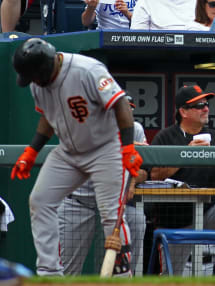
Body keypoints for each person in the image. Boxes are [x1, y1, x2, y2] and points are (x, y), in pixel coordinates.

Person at [10, 38, 143, 276]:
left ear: (46, 67)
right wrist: (32, 151)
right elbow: (47, 117)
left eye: (35, 76)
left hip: (105, 148)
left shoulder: (86, 70)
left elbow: (120, 103)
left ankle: (122, 276)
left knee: (112, 215)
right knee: (40, 200)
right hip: (69, 152)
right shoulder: (37, 83)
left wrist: (128, 147)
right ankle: (49, 273)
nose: (34, 82)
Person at [150, 85, 215, 275]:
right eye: (199, 105)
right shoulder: (166, 136)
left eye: (206, 104)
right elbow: (154, 175)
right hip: (174, 218)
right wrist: (187, 153)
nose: (206, 108)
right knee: (172, 277)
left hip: (208, 212)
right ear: (183, 111)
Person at [58, 95, 148, 276]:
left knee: (137, 220)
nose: (125, 113)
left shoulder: (134, 129)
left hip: (113, 208)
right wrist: (120, 149)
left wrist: (132, 180)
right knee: (67, 273)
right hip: (78, 204)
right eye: (119, 109)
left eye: (128, 109)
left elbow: (145, 171)